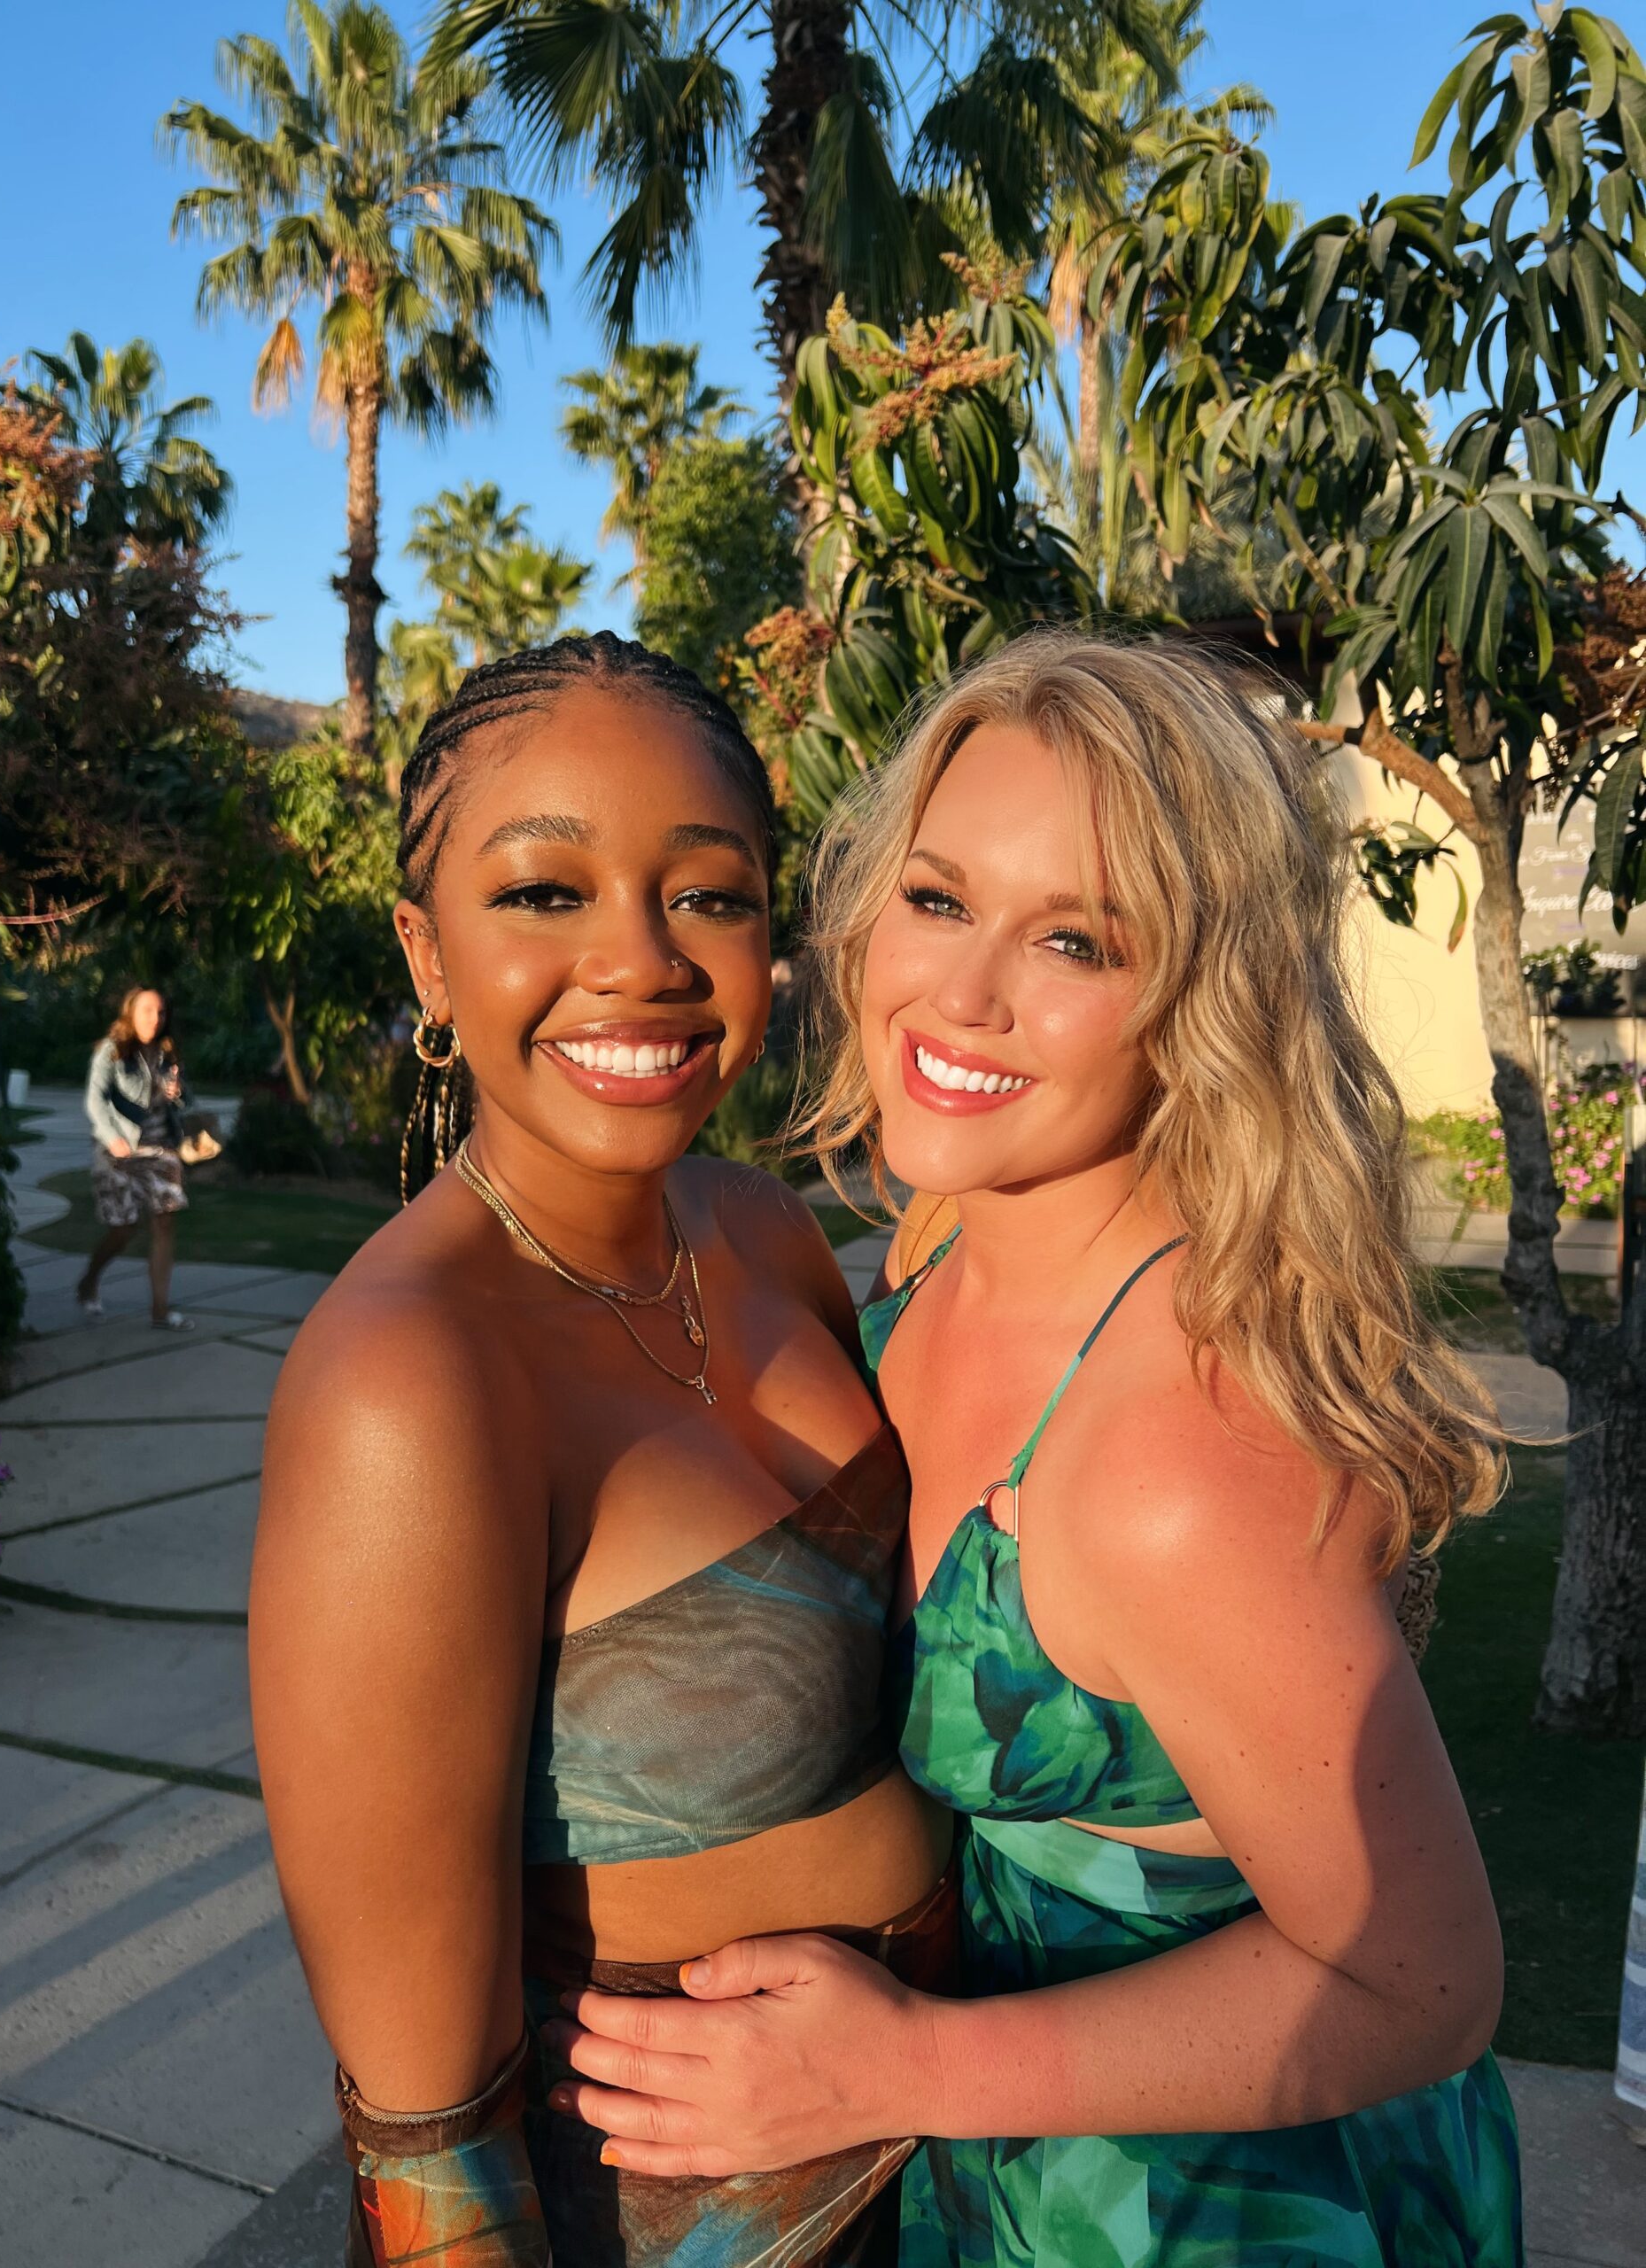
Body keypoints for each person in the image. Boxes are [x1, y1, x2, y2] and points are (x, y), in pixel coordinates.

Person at [551, 634, 1525, 2265]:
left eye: (1073, 938)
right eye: (938, 901)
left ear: (1202, 995)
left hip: (1227, 2212)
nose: (964, 994)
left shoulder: (1172, 1459)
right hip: (1013, 2171)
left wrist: (893, 2068)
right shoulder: (942, 1234)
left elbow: (1424, 1984)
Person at [251, 632, 954, 2268]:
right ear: (430, 960)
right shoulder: (412, 1381)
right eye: (545, 895)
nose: (641, 961)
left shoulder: (761, 1234)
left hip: (958, 2168)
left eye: (708, 895)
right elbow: (425, 2146)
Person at [79, 985, 193, 1330]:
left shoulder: (167, 1053)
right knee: (124, 1228)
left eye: (160, 1012)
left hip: (160, 1151)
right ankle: (89, 1280)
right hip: (120, 1152)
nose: (154, 1019)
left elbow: (187, 1101)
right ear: (130, 1013)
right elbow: (95, 1101)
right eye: (147, 1011)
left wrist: (178, 1093)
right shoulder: (112, 1052)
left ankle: (160, 1311)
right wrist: (112, 1138)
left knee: (164, 1223)